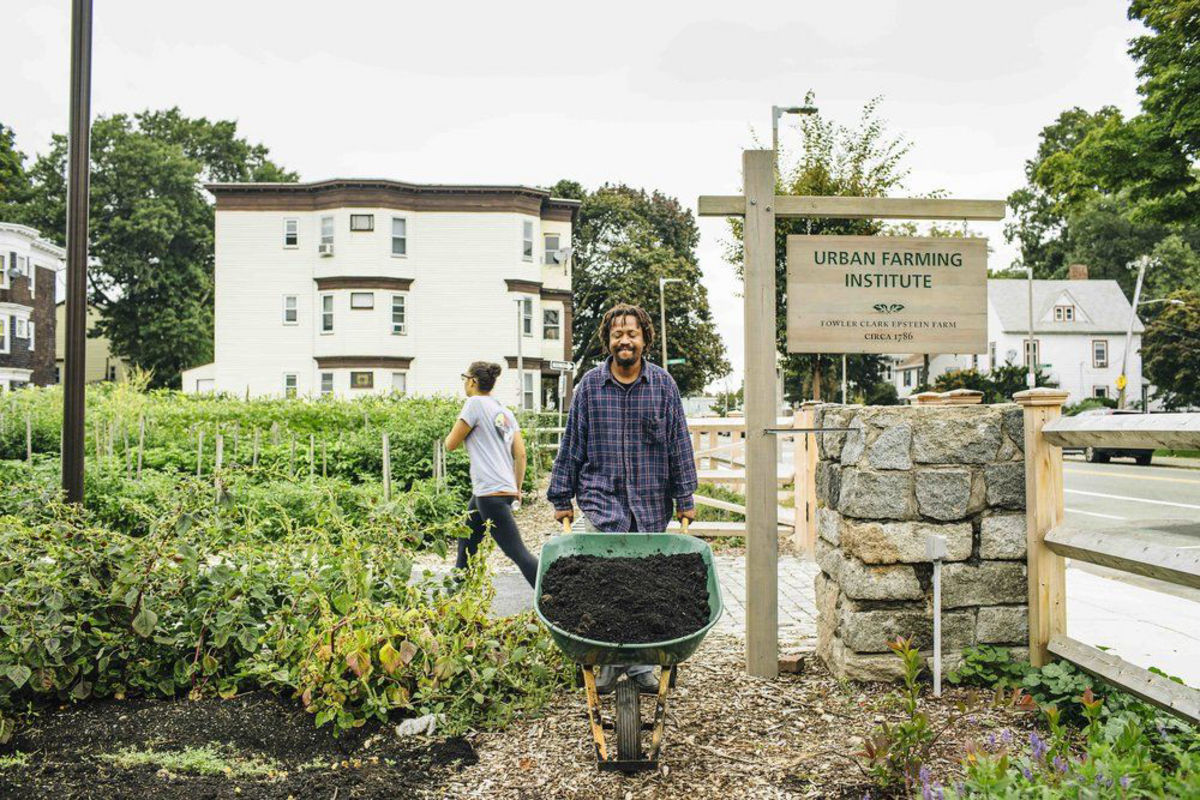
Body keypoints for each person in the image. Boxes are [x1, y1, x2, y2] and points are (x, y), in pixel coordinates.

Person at [547, 303, 697, 692]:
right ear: (608, 341)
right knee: (603, 590)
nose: (625, 340)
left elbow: (679, 445)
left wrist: (685, 498)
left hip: (650, 506)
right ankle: (608, 664)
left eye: (632, 333)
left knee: (649, 593)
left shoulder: (663, 386)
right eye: (617, 334)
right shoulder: (589, 388)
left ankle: (645, 665)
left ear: (645, 338)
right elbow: (572, 444)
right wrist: (562, 495)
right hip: (601, 503)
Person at [445, 361, 538, 587]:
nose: (464, 383)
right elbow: (521, 454)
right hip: (497, 490)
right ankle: (456, 596)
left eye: (464, 378)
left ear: (473, 381)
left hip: (490, 492)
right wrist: (516, 489)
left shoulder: (474, 404)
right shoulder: (504, 412)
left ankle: (554, 599)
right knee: (467, 541)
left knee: (517, 552)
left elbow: (450, 444)